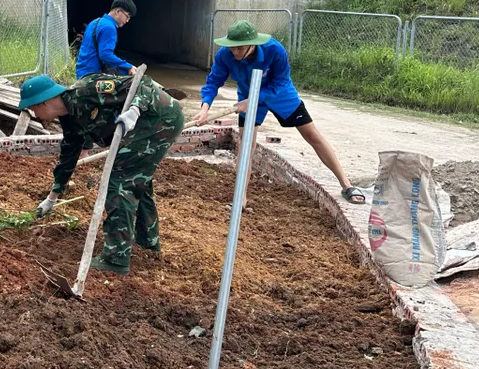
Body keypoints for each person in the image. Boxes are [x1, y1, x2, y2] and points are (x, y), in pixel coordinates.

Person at [19, 71, 185, 275]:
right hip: (147, 126)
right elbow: (68, 156)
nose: (34, 115)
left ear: (41, 103)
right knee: (137, 180)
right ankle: (147, 242)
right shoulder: (70, 117)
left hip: (157, 118)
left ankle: (116, 258)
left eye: (32, 109)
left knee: (119, 182)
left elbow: (142, 82)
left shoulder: (88, 89)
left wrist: (135, 109)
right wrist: (53, 196)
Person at [194, 19, 364, 204]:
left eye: (240, 48)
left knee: (312, 135)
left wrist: (255, 99)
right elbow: (213, 81)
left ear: (253, 44)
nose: (235, 52)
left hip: (280, 95)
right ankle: (240, 198)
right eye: (232, 47)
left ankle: (346, 184)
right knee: (246, 145)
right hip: (247, 97)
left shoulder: (274, 50)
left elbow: (281, 81)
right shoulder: (224, 56)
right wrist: (205, 108)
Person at [76, 0, 138, 77]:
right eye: (127, 16)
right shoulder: (109, 28)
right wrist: (128, 67)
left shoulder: (95, 22)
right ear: (118, 11)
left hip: (81, 73)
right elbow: (105, 54)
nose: (127, 20)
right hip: (92, 77)